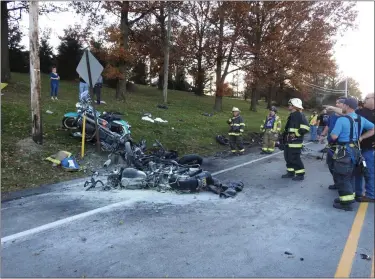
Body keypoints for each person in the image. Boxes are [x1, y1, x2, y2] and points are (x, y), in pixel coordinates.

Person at [329, 97, 374, 211]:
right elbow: (373, 128)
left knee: (342, 176)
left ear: (347, 106)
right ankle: (347, 197)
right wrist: (361, 137)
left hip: (344, 152)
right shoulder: (360, 119)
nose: (342, 106)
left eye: (343, 105)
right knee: (349, 175)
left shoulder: (342, 120)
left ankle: (346, 203)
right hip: (356, 151)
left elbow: (334, 136)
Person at [318, 97, 346, 190]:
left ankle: (343, 185)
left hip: (341, 146)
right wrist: (322, 135)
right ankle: (337, 183)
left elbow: (344, 112)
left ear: (344, 105)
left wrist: (332, 107)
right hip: (331, 144)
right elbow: (328, 126)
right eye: (336, 103)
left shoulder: (346, 115)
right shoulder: (332, 115)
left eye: (338, 103)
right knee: (330, 164)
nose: (336, 104)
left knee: (339, 166)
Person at [281, 98, 310, 181]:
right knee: (288, 157)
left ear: (294, 106)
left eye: (290, 104)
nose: (288, 106)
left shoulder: (300, 115)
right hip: (288, 141)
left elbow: (306, 127)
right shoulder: (292, 115)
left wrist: (295, 134)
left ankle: (300, 174)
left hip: (295, 142)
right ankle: (290, 172)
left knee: (295, 158)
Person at [353, 93, 374, 202]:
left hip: (369, 149)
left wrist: (362, 137)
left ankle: (371, 195)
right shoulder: (359, 112)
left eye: (367, 98)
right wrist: (333, 108)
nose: (364, 100)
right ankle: (358, 193)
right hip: (358, 148)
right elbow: (347, 113)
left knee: (368, 171)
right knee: (358, 171)